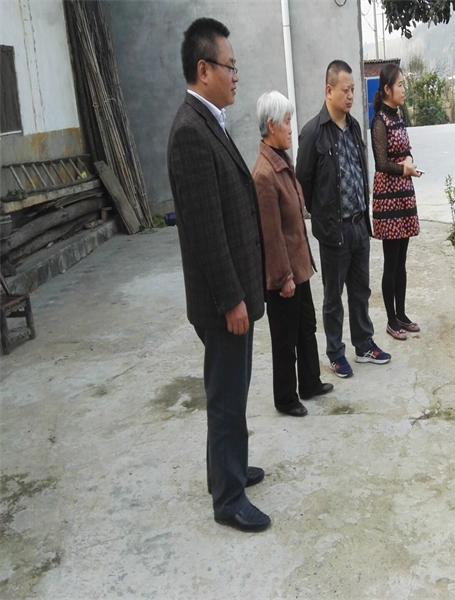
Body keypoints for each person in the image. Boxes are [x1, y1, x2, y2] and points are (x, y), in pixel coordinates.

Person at [167, 18, 270, 533]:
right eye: (229, 66)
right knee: (226, 397)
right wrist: (232, 299)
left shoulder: (211, 121)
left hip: (238, 293)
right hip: (222, 301)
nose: (236, 75)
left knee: (235, 388)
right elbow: (206, 233)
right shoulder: (190, 132)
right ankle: (228, 498)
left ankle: (231, 468)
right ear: (203, 69)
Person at [296, 60, 391, 378]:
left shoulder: (354, 127)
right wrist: (323, 218)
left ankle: (363, 344)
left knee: (360, 291)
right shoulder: (313, 133)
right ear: (329, 90)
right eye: (345, 90)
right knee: (333, 297)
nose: (351, 96)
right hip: (333, 231)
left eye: (353, 90)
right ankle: (336, 353)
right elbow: (303, 184)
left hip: (359, 225)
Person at [252, 91, 333, 417]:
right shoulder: (264, 174)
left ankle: (309, 382)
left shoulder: (282, 161)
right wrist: (283, 277)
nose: (290, 127)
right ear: (271, 125)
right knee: (285, 338)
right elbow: (271, 236)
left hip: (299, 266)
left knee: (306, 326)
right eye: (286, 121)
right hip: (283, 272)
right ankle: (285, 398)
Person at [370, 64, 421, 340]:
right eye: (399, 85)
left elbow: (406, 148)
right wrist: (405, 169)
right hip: (388, 198)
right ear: (387, 89)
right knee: (391, 262)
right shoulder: (379, 121)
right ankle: (391, 320)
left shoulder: (398, 116)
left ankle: (401, 314)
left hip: (403, 194)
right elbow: (381, 163)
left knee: (401, 260)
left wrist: (410, 160)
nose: (403, 89)